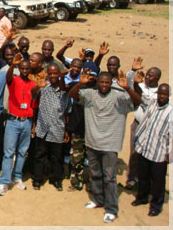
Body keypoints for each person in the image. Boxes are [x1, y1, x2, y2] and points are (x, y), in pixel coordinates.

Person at [69, 70, 141, 223]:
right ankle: (97, 199)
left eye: (107, 82)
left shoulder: (120, 97)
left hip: (110, 144)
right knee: (95, 174)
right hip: (92, 142)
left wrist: (128, 88)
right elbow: (72, 95)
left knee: (109, 178)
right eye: (101, 82)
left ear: (111, 83)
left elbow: (137, 102)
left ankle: (111, 209)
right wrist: (80, 84)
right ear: (97, 82)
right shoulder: (90, 94)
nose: (104, 85)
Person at [0, 53, 36, 196]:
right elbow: (7, 77)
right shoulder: (13, 80)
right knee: (8, 153)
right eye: (22, 68)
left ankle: (17, 177)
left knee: (22, 152)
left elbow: (34, 106)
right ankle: (4, 182)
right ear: (19, 68)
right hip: (13, 121)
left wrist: (33, 125)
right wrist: (12, 65)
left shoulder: (33, 85)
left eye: (27, 69)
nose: (25, 71)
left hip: (26, 122)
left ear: (30, 70)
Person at [131, 82, 171, 217]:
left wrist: (169, 155)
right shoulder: (152, 104)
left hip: (158, 153)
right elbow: (141, 101)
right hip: (145, 148)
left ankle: (156, 205)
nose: (162, 96)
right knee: (143, 177)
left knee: (158, 182)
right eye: (160, 93)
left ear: (169, 95)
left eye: (165, 94)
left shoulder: (170, 114)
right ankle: (141, 198)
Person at [31, 64, 71, 191]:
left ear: (59, 74)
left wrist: (66, 130)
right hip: (42, 128)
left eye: (55, 73)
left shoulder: (65, 91)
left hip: (57, 129)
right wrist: (37, 86)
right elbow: (32, 94)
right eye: (51, 73)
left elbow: (67, 113)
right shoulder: (44, 88)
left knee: (56, 157)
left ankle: (56, 179)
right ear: (47, 74)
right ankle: (37, 179)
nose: (53, 76)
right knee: (40, 155)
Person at [124, 58, 160, 191]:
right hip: (137, 125)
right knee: (134, 154)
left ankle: (146, 182)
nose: (147, 77)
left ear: (157, 78)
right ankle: (131, 179)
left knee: (149, 156)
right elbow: (127, 82)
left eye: (151, 75)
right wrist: (133, 70)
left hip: (152, 128)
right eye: (147, 74)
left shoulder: (160, 92)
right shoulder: (140, 86)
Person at [66, 63, 98, 192]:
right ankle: (76, 183)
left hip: (94, 130)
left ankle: (92, 185)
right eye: (88, 74)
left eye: (92, 75)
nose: (90, 78)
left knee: (93, 160)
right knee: (76, 158)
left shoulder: (100, 89)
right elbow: (71, 95)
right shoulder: (77, 85)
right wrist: (80, 83)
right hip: (79, 129)